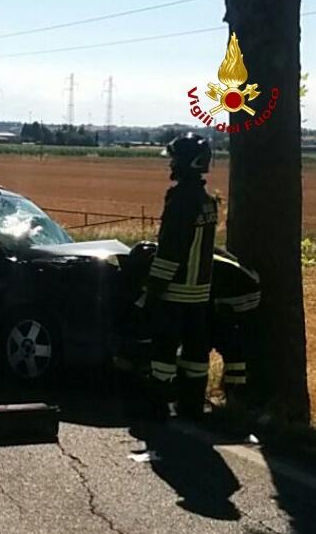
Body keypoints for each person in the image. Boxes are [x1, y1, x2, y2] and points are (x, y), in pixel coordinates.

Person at [139, 132, 218, 419]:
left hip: (174, 290)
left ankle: (157, 403)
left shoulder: (180, 200)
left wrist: (152, 290)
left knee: (164, 349)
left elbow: (171, 249)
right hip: (199, 293)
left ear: (188, 163)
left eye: (174, 159)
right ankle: (192, 404)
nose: (170, 165)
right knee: (196, 353)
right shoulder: (208, 201)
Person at [209, 248, 261, 407]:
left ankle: (233, 393)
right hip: (244, 285)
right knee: (231, 342)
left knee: (223, 337)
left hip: (237, 292)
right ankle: (234, 392)